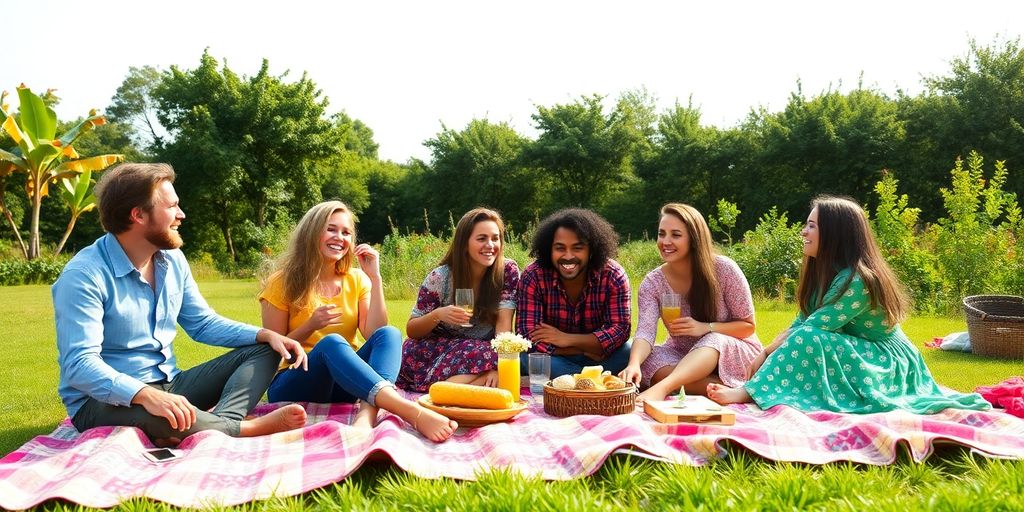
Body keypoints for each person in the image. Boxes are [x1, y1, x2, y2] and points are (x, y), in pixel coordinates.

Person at [53, 163, 308, 446]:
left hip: (170, 384)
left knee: (266, 349)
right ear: (137, 214)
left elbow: (202, 323)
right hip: (101, 402)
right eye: (172, 206)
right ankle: (240, 429)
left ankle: (218, 424)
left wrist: (265, 335)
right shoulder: (84, 276)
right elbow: (79, 365)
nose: (181, 214)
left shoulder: (171, 260)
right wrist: (145, 395)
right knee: (156, 416)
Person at [707, 196, 991, 413]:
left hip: (887, 361)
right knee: (806, 334)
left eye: (811, 226)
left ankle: (750, 392)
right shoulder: (826, 274)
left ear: (835, 234)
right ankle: (757, 390)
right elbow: (801, 321)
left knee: (810, 337)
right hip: (861, 350)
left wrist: (765, 353)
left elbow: (815, 327)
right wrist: (767, 352)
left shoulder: (859, 281)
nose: (803, 232)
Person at [260, 201, 457, 442]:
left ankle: (367, 414)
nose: (340, 238)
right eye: (331, 229)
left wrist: (375, 277)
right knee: (331, 343)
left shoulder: (356, 279)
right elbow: (269, 354)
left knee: (390, 333)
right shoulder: (282, 282)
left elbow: (374, 331)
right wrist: (310, 326)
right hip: (293, 382)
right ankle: (411, 412)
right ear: (311, 232)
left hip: (345, 383)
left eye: (346, 232)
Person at [620, 203, 762, 402]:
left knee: (714, 338)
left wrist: (705, 327)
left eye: (676, 235)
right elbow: (645, 332)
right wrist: (633, 364)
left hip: (733, 350)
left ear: (694, 239)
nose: (665, 241)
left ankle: (663, 388)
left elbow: (748, 327)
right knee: (645, 359)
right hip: (683, 354)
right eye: (662, 234)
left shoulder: (724, 269)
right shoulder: (653, 283)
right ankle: (732, 389)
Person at [397, 208, 521, 392]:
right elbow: (412, 330)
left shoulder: (507, 271)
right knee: (479, 352)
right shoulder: (440, 278)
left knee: (509, 358)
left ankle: (447, 390)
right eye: (481, 239)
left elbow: (504, 326)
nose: (490, 245)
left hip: (481, 351)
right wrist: (438, 315)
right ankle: (470, 385)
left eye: (495, 238)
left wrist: (497, 366)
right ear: (464, 244)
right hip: (434, 349)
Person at [516, 208, 632, 377]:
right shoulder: (533, 276)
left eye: (577, 248)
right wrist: (582, 349)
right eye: (560, 248)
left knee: (629, 350)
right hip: (558, 357)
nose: (568, 256)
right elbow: (527, 336)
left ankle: (572, 384)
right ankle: (592, 384)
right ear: (549, 250)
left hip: (599, 359)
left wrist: (566, 339)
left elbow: (620, 331)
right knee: (526, 356)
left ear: (591, 250)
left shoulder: (613, 275)